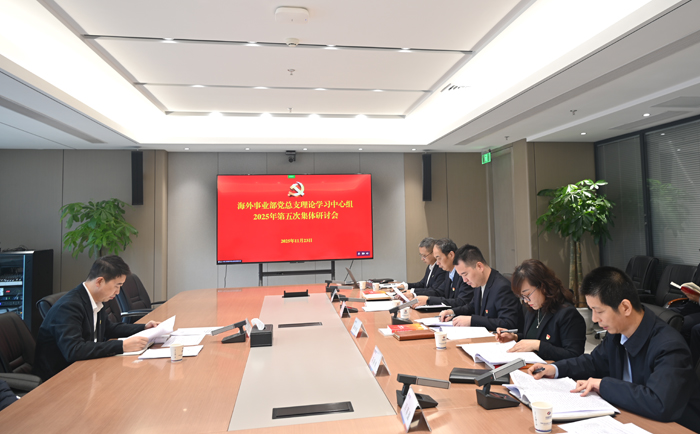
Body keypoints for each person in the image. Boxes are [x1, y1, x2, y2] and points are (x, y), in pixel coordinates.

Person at [528, 266, 700, 432]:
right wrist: (555, 369)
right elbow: (594, 362)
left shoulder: (669, 346)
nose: (594, 319)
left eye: (599, 311)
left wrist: (604, 385)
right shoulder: (618, 333)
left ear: (625, 307)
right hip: (630, 418)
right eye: (591, 310)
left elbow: (659, 403)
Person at [33, 256, 160, 381]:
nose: (118, 292)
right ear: (99, 281)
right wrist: (122, 346)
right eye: (117, 286)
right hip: (60, 378)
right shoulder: (69, 306)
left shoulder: (94, 299)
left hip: (86, 367)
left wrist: (144, 327)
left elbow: (109, 328)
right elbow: (74, 350)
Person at [495, 259, 586, 361]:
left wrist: (538, 345)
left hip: (553, 369)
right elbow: (532, 337)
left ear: (543, 286)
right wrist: (515, 337)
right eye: (522, 297)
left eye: (528, 294)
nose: (526, 301)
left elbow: (574, 355)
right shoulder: (533, 309)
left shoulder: (567, 314)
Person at [438, 244, 521, 331]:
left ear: (479, 267)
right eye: (461, 276)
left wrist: (472, 320)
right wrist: (452, 312)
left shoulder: (502, 287)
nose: (464, 280)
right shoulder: (479, 282)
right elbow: (472, 306)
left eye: (465, 274)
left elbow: (508, 323)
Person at [407, 238, 473, 308]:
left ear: (451, 255)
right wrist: (414, 294)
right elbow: (438, 292)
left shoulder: (464, 275)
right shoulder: (449, 273)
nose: (437, 263)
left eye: (439, 258)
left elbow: (461, 302)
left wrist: (428, 300)